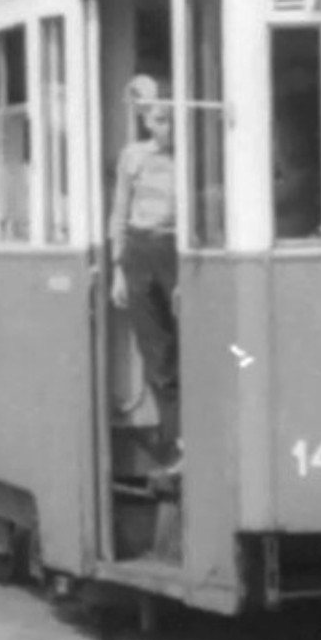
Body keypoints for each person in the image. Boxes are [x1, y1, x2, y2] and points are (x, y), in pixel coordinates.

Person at [109, 75, 181, 477]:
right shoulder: (133, 157)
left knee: (186, 344)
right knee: (156, 352)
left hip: (175, 249)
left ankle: (186, 434)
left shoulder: (191, 156)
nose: (165, 128)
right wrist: (119, 269)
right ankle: (174, 441)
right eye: (158, 120)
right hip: (140, 251)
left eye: (170, 120)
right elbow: (120, 212)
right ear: (146, 122)